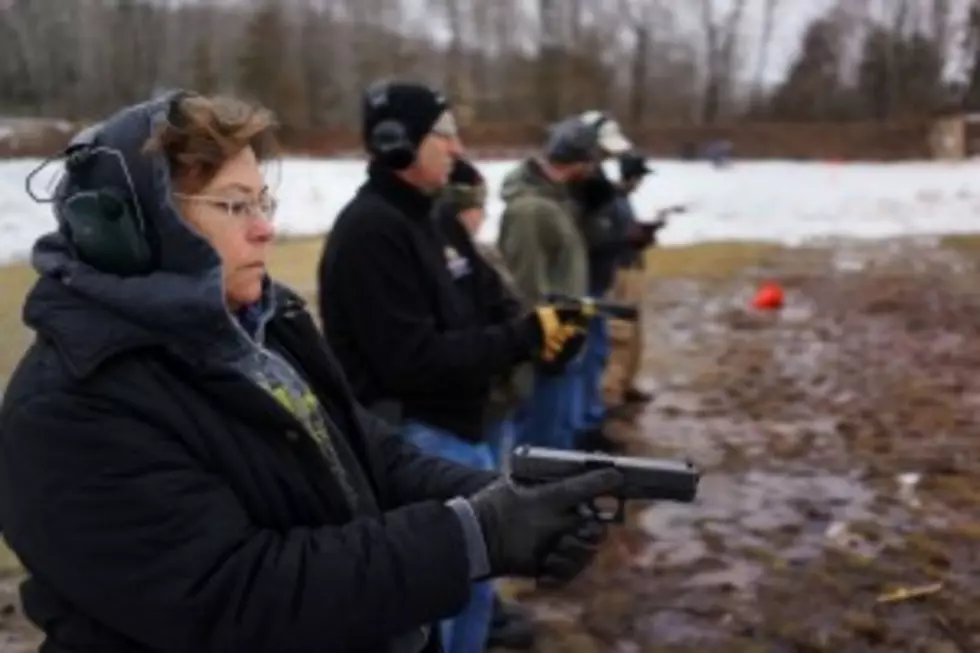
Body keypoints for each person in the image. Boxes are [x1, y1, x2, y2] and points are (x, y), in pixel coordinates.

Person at [0, 91, 623, 653]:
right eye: (234, 204)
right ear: (129, 232)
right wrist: (471, 536)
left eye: (262, 201)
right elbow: (236, 596)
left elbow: (360, 448)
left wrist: (498, 496)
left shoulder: (261, 324)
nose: (266, 228)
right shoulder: (68, 409)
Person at [316, 81, 590, 653]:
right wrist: (522, 336)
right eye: (446, 136)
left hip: (471, 426)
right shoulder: (369, 231)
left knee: (477, 590)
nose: (458, 150)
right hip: (420, 441)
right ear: (399, 143)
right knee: (439, 604)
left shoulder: (433, 219)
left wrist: (545, 330)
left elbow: (494, 299)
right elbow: (412, 362)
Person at [436, 156, 538, 650]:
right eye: (477, 205)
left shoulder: (468, 253)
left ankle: (487, 611)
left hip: (488, 397)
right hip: (469, 406)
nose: (482, 215)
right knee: (473, 527)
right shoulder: (436, 253)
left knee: (489, 515)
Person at [496, 114, 629, 453]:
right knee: (541, 445)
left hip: (566, 339)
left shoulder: (558, 202)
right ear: (583, 162)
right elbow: (524, 286)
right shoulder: (530, 210)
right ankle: (540, 502)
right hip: (548, 350)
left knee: (560, 438)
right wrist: (544, 345)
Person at [608, 152, 660, 406]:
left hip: (633, 267)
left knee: (634, 332)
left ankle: (627, 384)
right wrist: (638, 235)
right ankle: (613, 391)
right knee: (621, 333)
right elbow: (615, 237)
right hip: (622, 271)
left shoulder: (623, 201)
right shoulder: (615, 200)